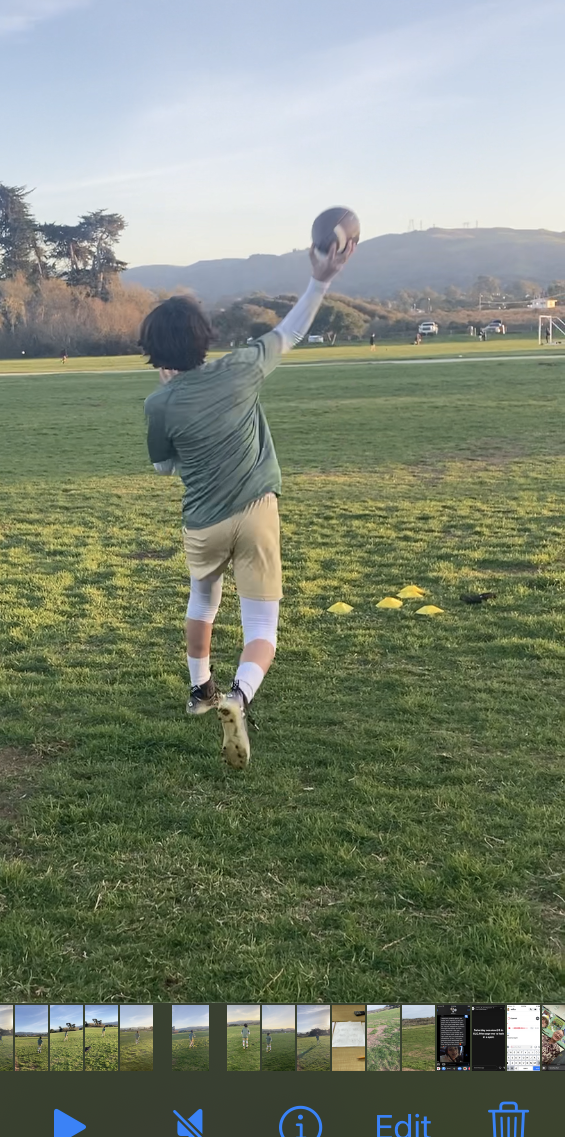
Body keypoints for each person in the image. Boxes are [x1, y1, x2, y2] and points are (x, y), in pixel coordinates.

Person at [140, 240, 356, 769]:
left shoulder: (158, 403)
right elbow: (291, 331)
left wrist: (175, 405)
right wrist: (322, 278)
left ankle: (200, 691)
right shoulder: (241, 369)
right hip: (257, 512)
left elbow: (163, 468)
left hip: (202, 522)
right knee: (262, 628)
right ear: (204, 337)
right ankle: (238, 695)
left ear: (155, 353)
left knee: (203, 603)